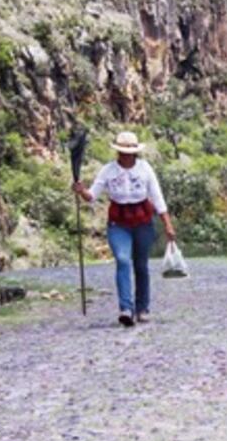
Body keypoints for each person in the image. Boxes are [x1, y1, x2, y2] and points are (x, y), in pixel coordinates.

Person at [72, 131, 176, 326]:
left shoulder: (145, 169)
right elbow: (92, 196)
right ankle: (126, 308)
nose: (126, 155)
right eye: (122, 151)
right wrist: (81, 191)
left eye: (130, 152)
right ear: (118, 152)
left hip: (143, 222)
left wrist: (167, 224)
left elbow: (157, 197)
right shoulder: (108, 171)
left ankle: (142, 308)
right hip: (118, 223)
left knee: (141, 265)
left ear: (135, 153)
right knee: (122, 260)